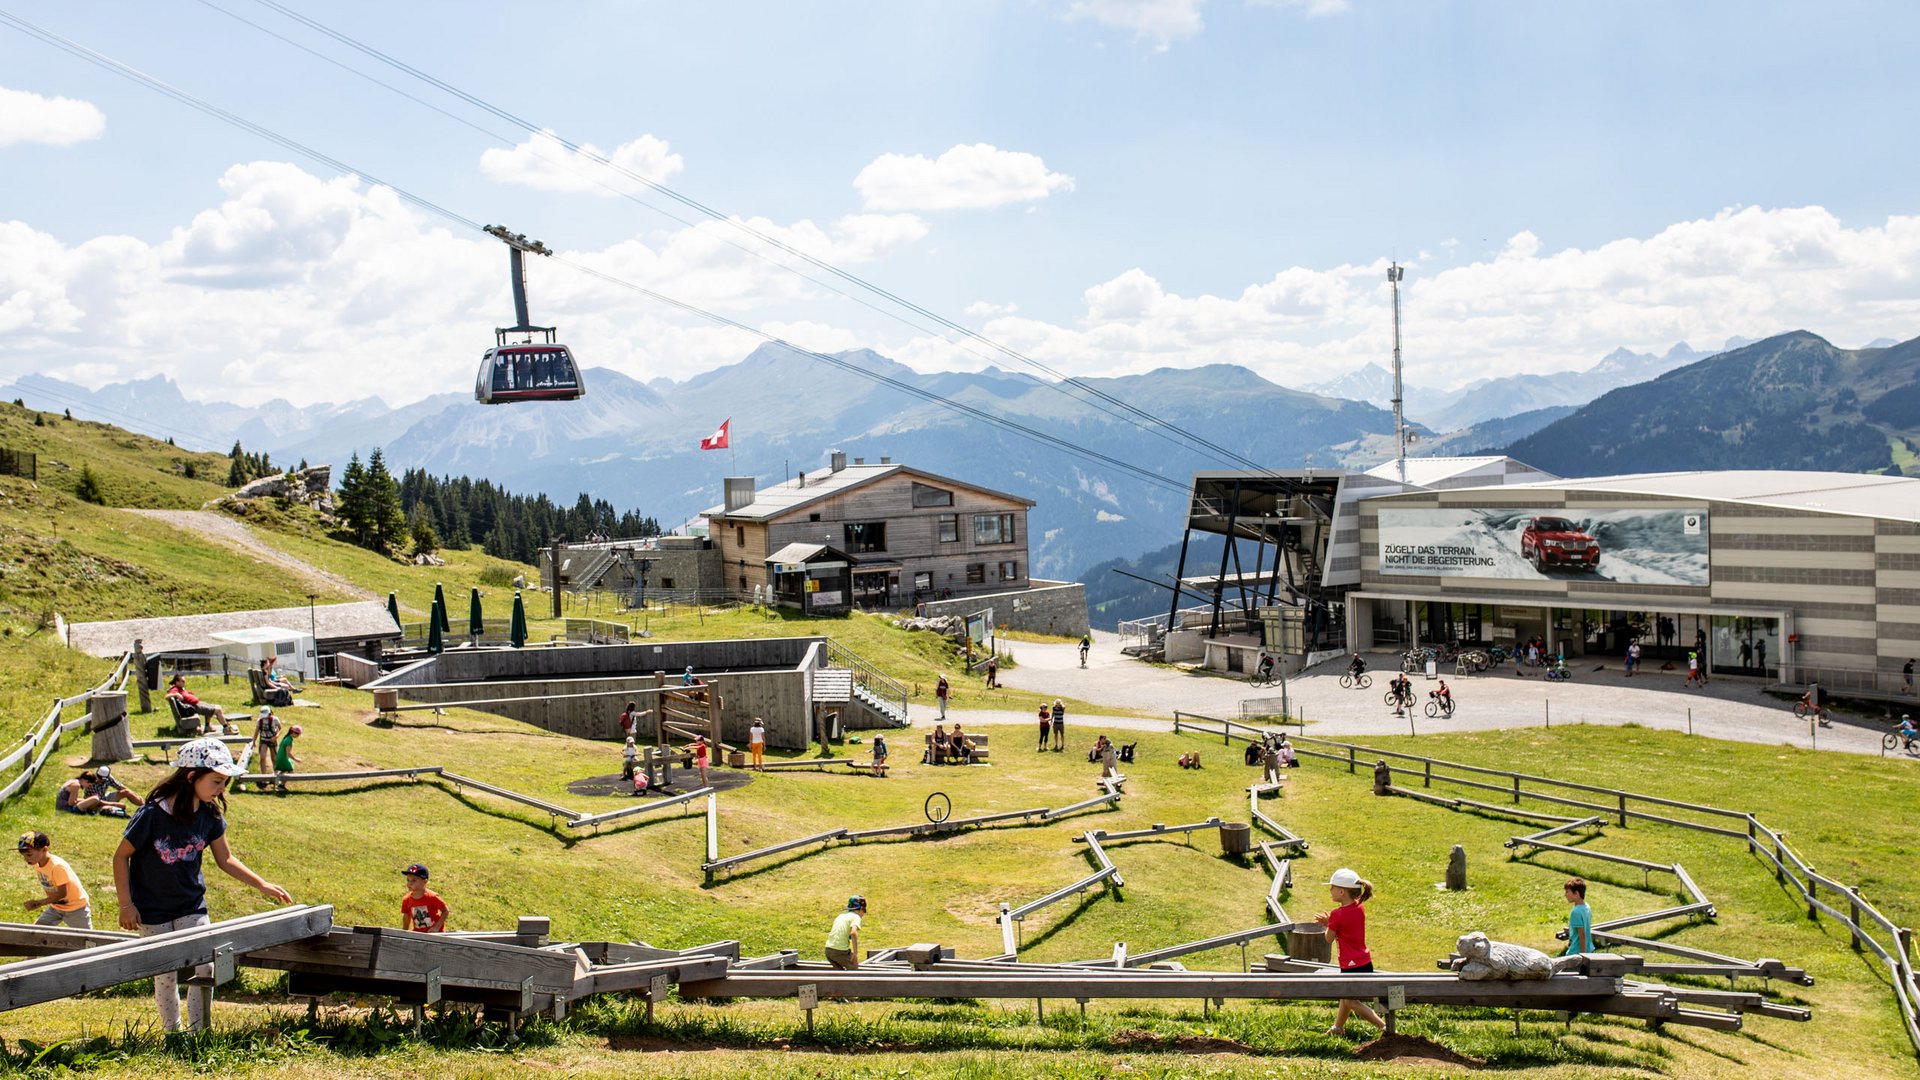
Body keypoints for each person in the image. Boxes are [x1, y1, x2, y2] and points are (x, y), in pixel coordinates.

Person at [114, 738, 291, 1033]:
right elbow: (121, 857)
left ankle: (199, 1032)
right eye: (217, 781)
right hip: (152, 909)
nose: (221, 789)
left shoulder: (210, 815)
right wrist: (126, 904)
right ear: (192, 777)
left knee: (205, 965)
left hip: (190, 904)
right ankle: (173, 1032)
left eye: (224, 782)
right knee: (166, 973)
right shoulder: (152, 814)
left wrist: (262, 885)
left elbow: (226, 859)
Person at [1316, 867, 1384, 1036]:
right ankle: (1338, 1028)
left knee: (1350, 1001)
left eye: (1332, 888)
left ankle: (1384, 1027)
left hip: (1351, 964)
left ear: (1341, 892)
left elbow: (1328, 939)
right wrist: (1332, 922)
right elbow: (1347, 926)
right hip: (1364, 961)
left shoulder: (1337, 914)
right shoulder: (1359, 907)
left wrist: (1328, 924)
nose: (1330, 891)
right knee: (1345, 997)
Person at [18, 831, 90, 929]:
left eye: (29, 855)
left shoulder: (57, 866)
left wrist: (38, 903)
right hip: (57, 907)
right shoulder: (37, 863)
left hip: (76, 908)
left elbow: (62, 893)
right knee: (38, 932)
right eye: (24, 855)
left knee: (86, 939)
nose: (26, 859)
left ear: (44, 849)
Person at [57, 769, 140, 817]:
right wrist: (87, 801)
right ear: (85, 781)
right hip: (66, 809)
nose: (88, 786)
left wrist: (84, 801)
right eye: (89, 784)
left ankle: (99, 810)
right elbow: (71, 803)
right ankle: (99, 811)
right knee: (95, 798)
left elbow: (72, 800)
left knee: (94, 799)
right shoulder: (76, 785)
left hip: (63, 807)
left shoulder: (73, 781)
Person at [400, 863, 447, 933]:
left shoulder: (432, 897)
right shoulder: (406, 900)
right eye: (408, 880)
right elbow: (406, 916)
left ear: (425, 881)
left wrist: (437, 927)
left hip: (436, 934)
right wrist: (404, 933)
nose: (409, 883)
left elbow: (445, 910)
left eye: (414, 880)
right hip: (419, 934)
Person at [825, 895, 865, 970]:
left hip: (828, 950)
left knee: (840, 975)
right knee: (854, 968)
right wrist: (855, 954)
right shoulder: (856, 917)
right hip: (839, 951)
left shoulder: (841, 915)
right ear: (861, 908)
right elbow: (853, 933)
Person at [1563, 877, 1593, 955]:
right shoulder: (1587, 906)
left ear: (1576, 893)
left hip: (1576, 952)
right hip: (1588, 949)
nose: (1565, 895)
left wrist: (1583, 956)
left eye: (1567, 892)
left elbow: (1582, 935)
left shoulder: (1576, 912)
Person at [252, 705, 283, 775]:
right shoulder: (259, 721)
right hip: (263, 740)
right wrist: (254, 741)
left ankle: (276, 774)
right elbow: (256, 731)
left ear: (269, 713)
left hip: (272, 740)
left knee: (274, 758)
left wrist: (276, 737)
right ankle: (264, 775)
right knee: (262, 757)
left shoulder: (275, 719)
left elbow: (280, 729)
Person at [271, 724, 302, 793]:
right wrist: (295, 759)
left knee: (285, 769)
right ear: (293, 733)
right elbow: (288, 753)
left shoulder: (287, 737)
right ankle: (281, 785)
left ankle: (277, 780)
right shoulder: (289, 741)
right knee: (290, 770)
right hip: (283, 758)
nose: (298, 736)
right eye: (298, 734)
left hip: (280, 757)